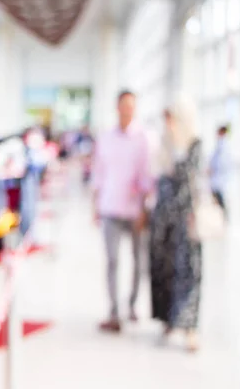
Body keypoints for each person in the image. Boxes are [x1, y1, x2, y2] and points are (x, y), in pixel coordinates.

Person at [91, 90, 151, 332]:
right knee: (112, 260)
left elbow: (147, 177)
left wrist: (144, 210)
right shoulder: (106, 138)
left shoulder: (143, 139)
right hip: (110, 207)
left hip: (135, 211)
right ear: (117, 108)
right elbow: (98, 174)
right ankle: (114, 311)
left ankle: (132, 305)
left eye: (131, 106)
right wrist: (94, 206)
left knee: (138, 261)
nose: (127, 110)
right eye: (124, 106)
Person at [149, 98, 202, 352]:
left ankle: (189, 326)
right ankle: (168, 319)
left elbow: (187, 175)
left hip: (187, 219)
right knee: (165, 269)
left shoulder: (193, 144)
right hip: (163, 220)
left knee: (188, 272)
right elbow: (157, 175)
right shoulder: (163, 142)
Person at [209, 125, 231, 219]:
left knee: (220, 204)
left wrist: (212, 169)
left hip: (219, 180)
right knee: (218, 203)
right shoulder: (220, 145)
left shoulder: (223, 145)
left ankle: (223, 221)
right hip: (218, 180)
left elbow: (220, 162)